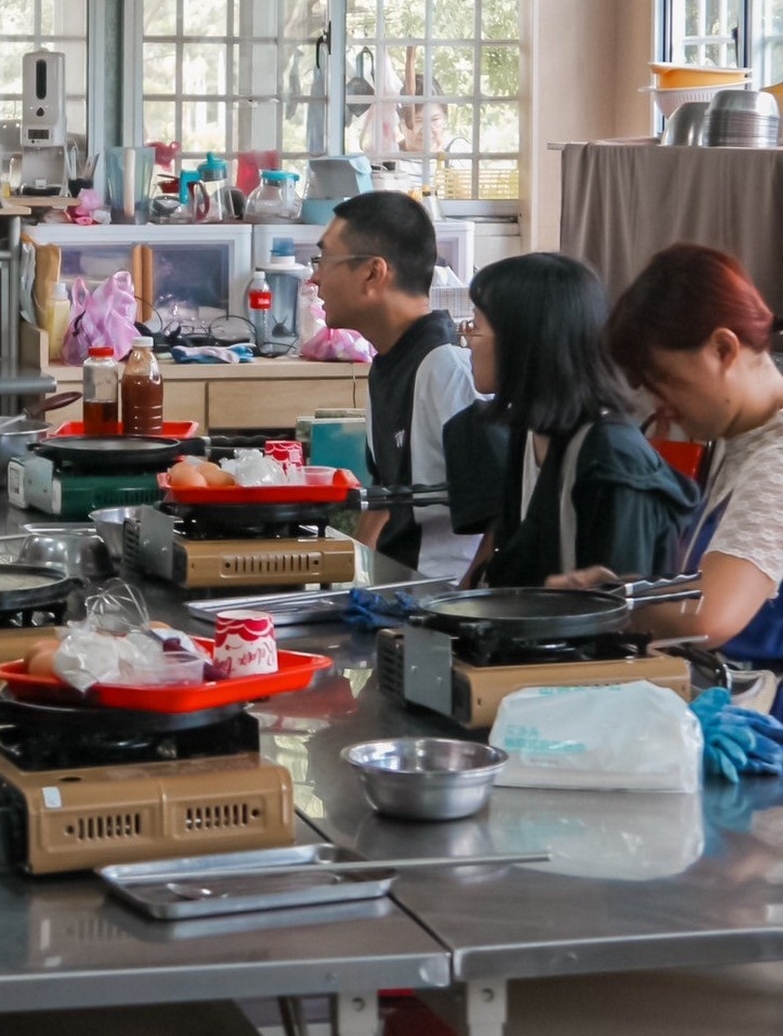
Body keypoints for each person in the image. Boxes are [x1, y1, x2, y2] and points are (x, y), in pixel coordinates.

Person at [561, 244, 783, 691]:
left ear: (723, 348)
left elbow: (709, 617)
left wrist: (612, 605)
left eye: (669, 381)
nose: (662, 407)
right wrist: (625, 587)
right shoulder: (733, 438)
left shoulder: (776, 457)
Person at [453, 252, 697, 587]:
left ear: (523, 341)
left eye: (475, 327)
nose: (467, 343)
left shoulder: (613, 458)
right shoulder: (528, 431)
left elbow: (622, 614)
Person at [315, 191, 478, 580]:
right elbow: (385, 494)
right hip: (399, 587)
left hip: (443, 594)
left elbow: (499, 509)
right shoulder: (387, 362)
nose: (315, 276)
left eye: (323, 259)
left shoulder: (445, 367)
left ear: (373, 273)